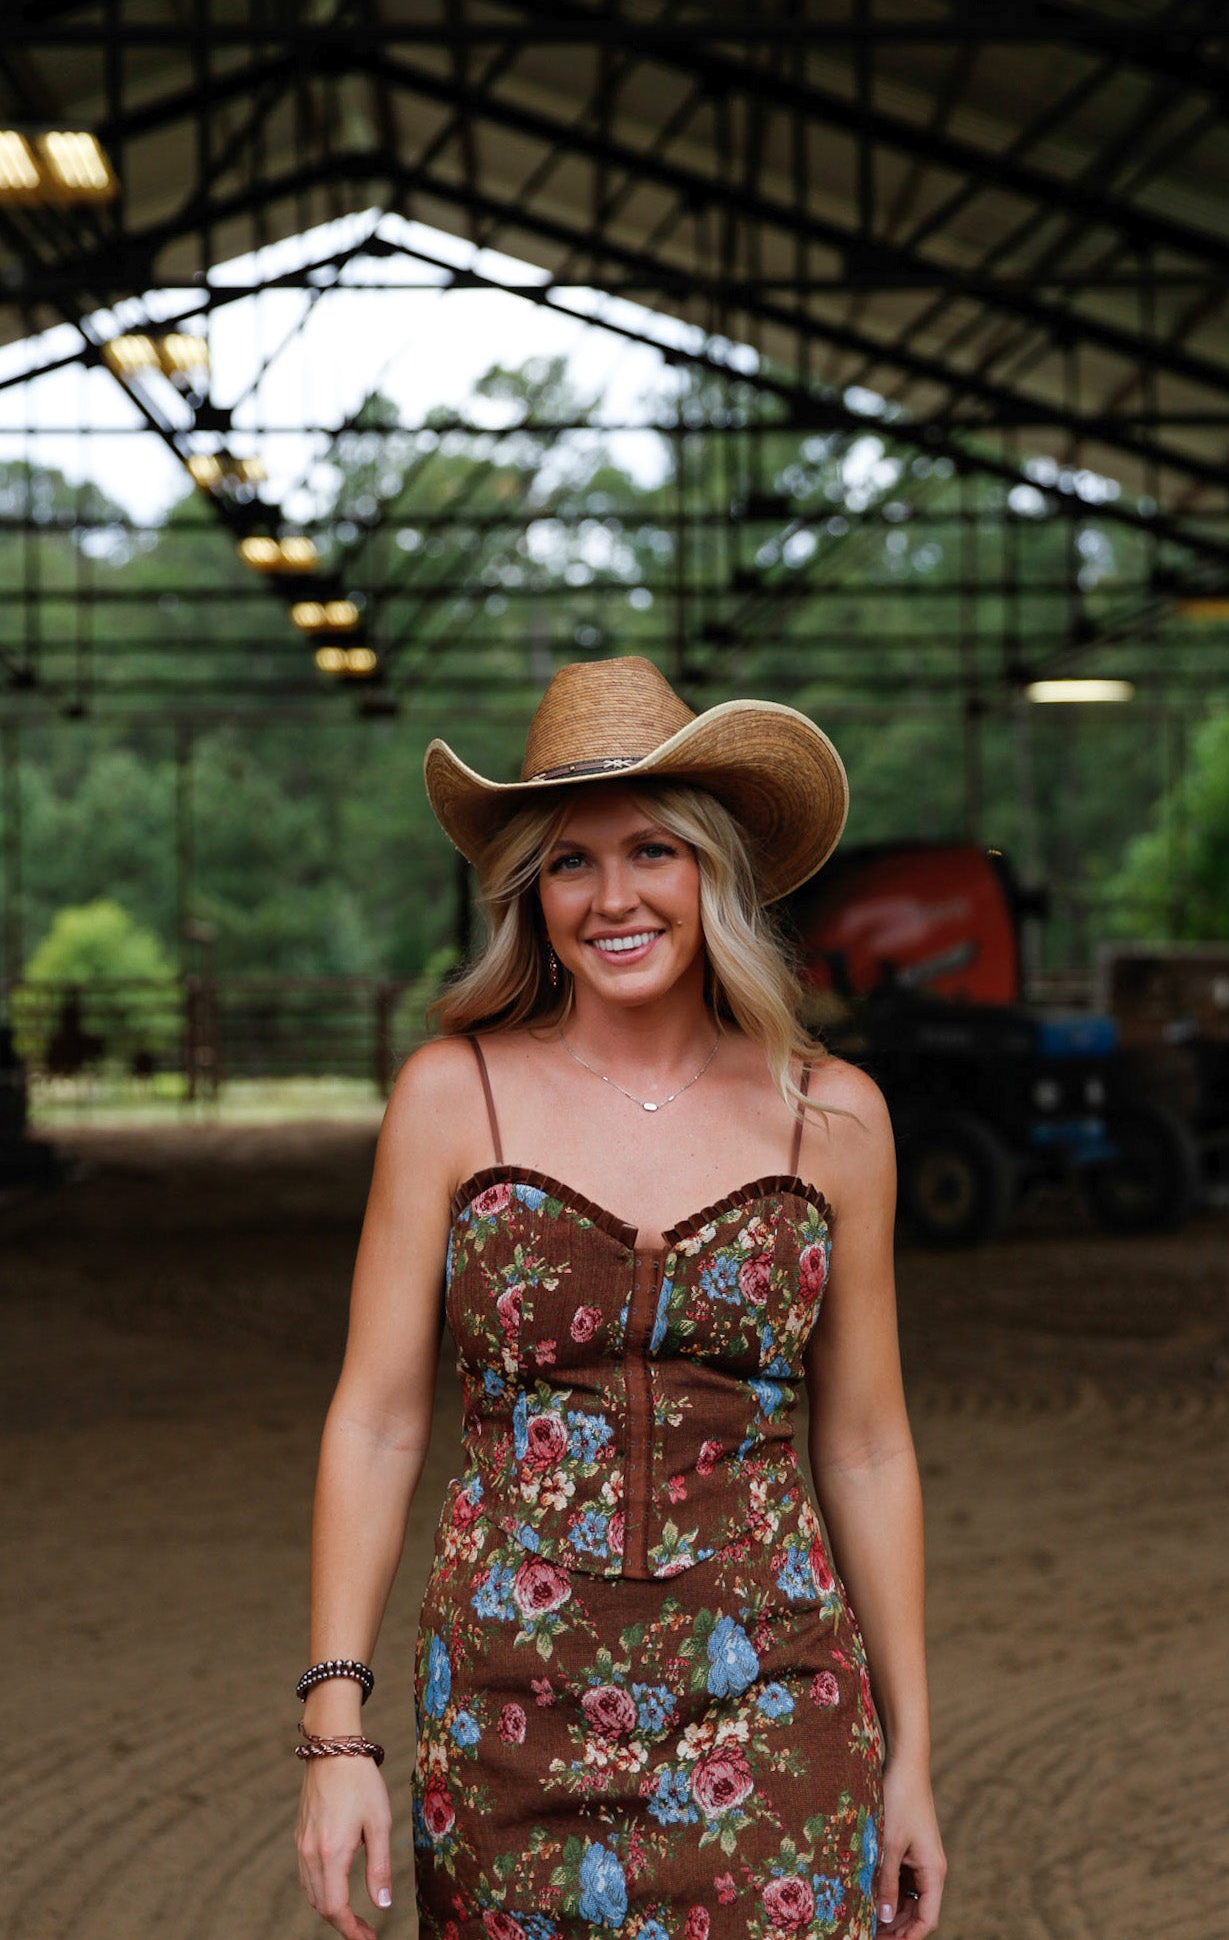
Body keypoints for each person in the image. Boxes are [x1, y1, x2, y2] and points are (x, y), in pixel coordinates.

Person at [294, 655, 946, 1940]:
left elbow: (866, 1446)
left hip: (777, 1707)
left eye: (652, 850)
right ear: (530, 895)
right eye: (569, 864)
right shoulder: (449, 1098)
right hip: (503, 1712)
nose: (613, 898)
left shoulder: (836, 1118)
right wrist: (333, 1730)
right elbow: (374, 1421)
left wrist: (912, 1752)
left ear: (715, 870)